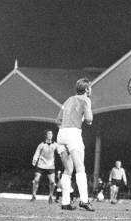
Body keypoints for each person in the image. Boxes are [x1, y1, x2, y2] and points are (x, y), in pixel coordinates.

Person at [56, 78, 95, 212]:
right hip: (73, 133)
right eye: (90, 87)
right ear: (86, 89)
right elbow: (89, 119)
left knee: (68, 170)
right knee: (80, 168)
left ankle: (65, 202)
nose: (91, 90)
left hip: (61, 134)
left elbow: (58, 120)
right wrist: (86, 114)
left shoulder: (68, 100)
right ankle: (84, 200)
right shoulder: (86, 100)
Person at [30, 129, 58, 203]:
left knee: (52, 182)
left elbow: (60, 150)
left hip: (50, 166)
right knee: (36, 180)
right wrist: (34, 160)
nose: (50, 135)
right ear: (46, 135)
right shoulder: (41, 144)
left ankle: (51, 196)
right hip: (41, 165)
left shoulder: (55, 144)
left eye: (51, 134)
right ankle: (34, 195)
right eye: (49, 133)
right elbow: (37, 153)